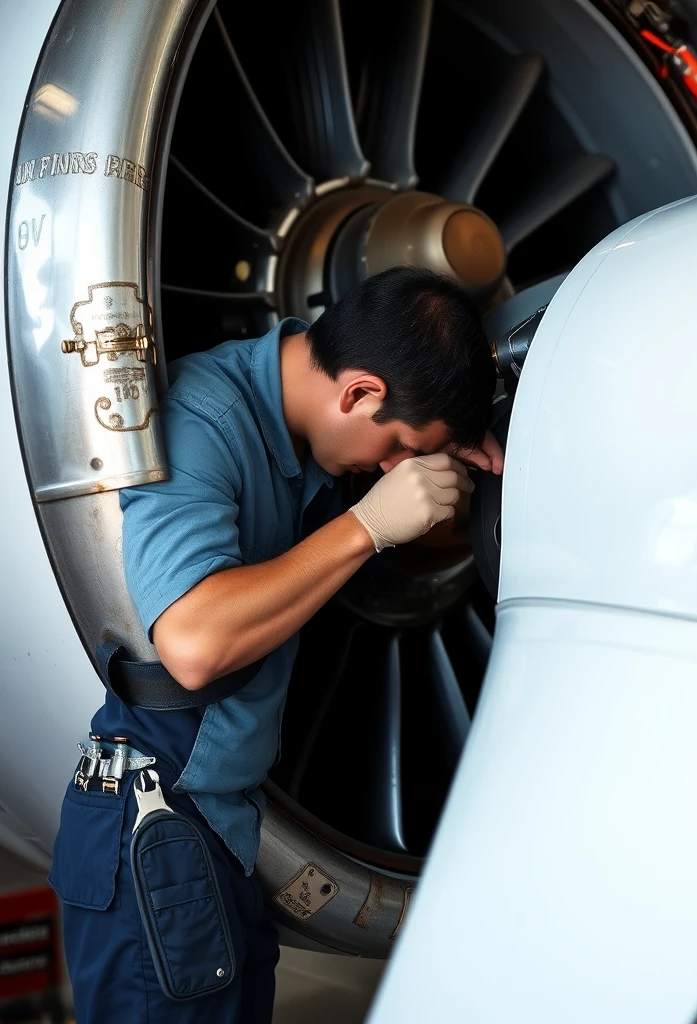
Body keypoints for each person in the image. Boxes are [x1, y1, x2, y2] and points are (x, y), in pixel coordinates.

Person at [48, 266, 502, 1023]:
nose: (396, 472)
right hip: (156, 832)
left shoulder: (310, 433)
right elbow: (192, 642)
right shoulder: (205, 422)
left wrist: (458, 424)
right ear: (357, 393)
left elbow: (392, 435)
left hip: (215, 829)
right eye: (398, 446)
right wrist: (366, 527)